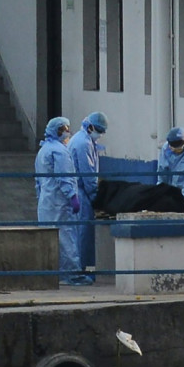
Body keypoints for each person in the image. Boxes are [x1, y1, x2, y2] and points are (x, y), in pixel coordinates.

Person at [35, 116, 92, 286]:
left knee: (50, 238)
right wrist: (72, 197)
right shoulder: (59, 151)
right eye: (64, 129)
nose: (67, 132)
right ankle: (72, 274)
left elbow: (38, 180)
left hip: (46, 202)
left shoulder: (43, 150)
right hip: (60, 202)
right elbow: (64, 177)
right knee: (66, 238)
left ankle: (54, 274)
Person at [67, 111, 108, 276]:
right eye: (98, 130)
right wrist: (95, 197)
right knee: (84, 231)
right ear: (90, 126)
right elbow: (88, 174)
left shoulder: (81, 139)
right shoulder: (83, 143)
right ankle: (82, 268)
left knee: (79, 231)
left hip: (79, 190)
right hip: (82, 192)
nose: (99, 134)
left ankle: (80, 266)